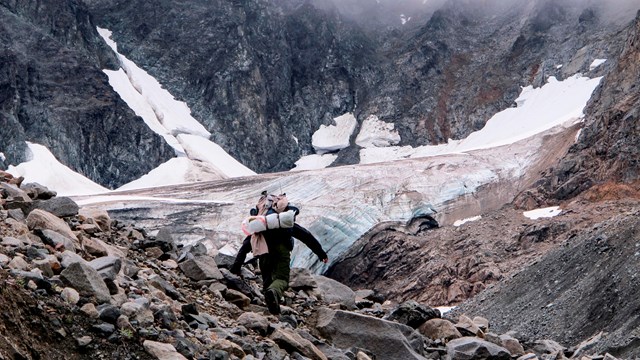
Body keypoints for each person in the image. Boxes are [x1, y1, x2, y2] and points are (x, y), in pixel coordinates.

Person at [231, 201, 329, 315]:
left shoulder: (260, 228)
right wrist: (321, 254)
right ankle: (274, 294)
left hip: (264, 253)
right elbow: (306, 237)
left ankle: (272, 309)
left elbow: (245, 248)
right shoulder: (285, 224)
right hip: (282, 252)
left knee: (267, 280)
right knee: (282, 279)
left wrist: (235, 269)